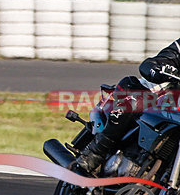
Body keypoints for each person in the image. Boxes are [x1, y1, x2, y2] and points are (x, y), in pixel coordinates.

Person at [74, 40, 180, 174]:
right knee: (135, 102)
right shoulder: (178, 47)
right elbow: (150, 64)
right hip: (151, 96)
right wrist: (158, 69)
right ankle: (94, 153)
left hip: (174, 110)